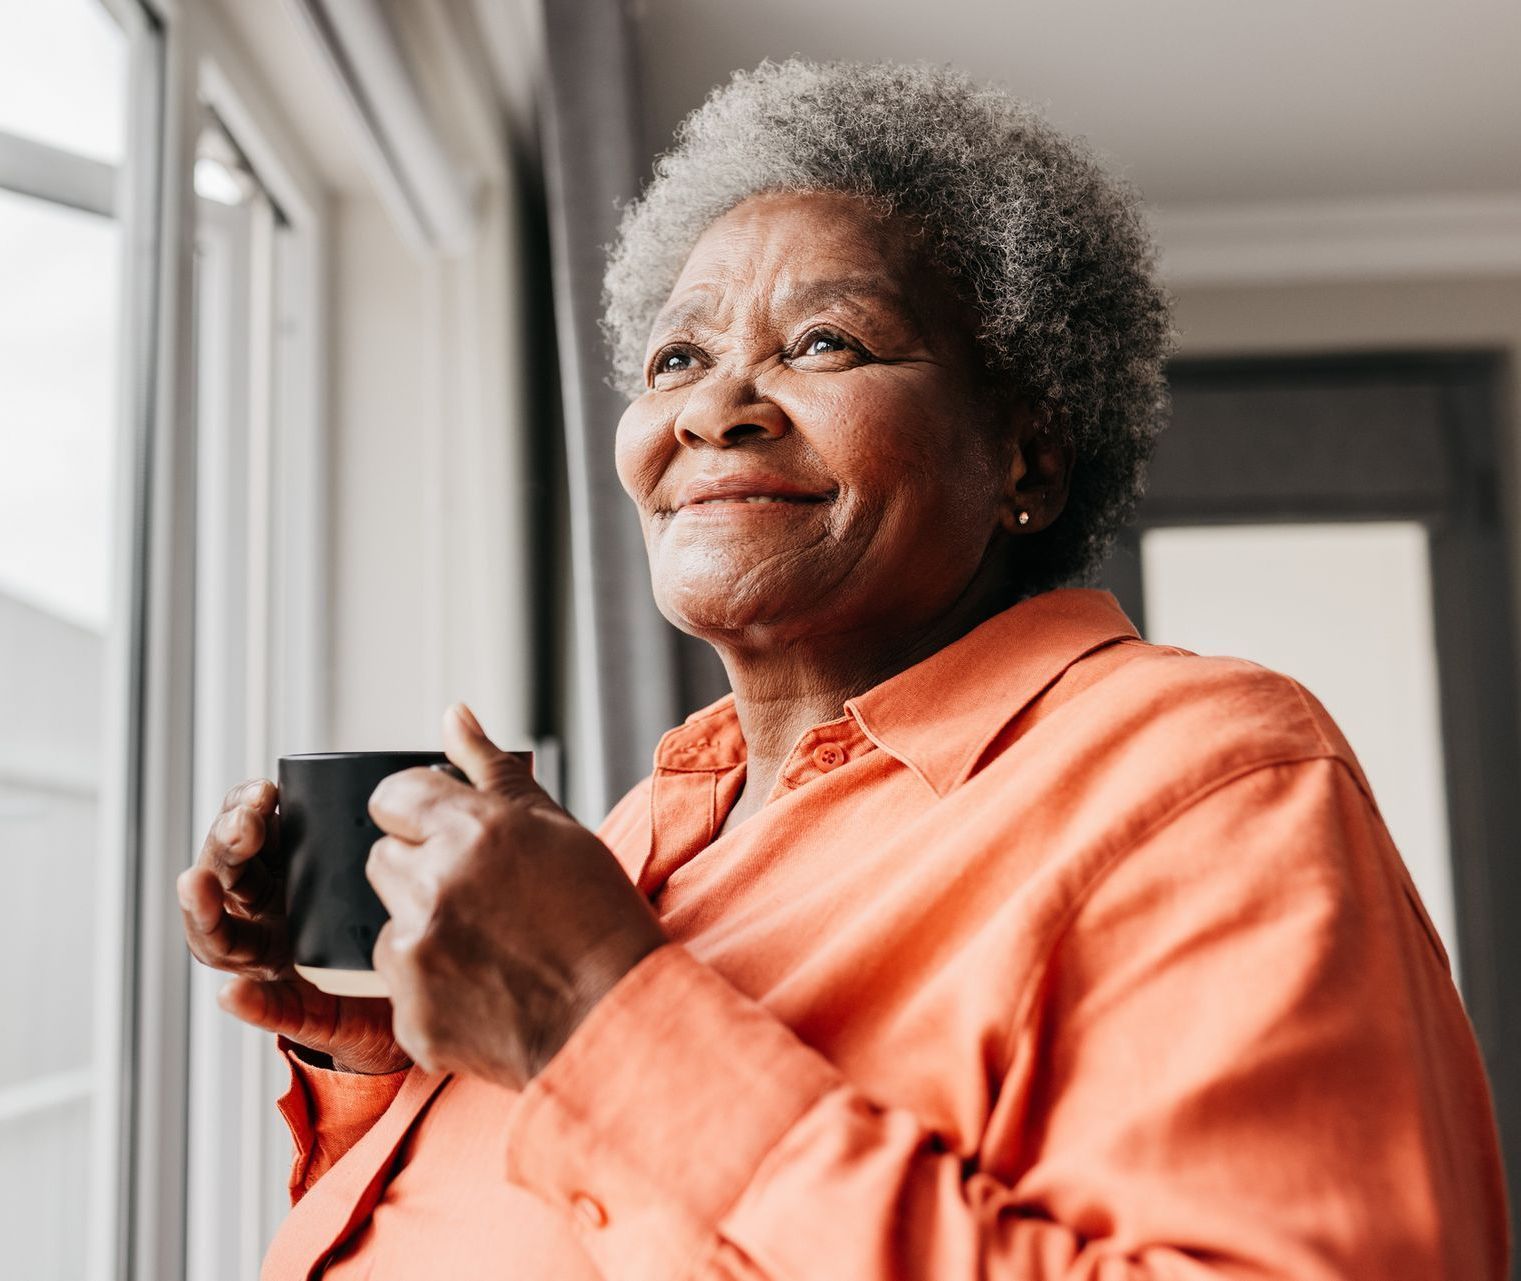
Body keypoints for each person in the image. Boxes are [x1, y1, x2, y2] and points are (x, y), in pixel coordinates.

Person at [179, 58, 1508, 1280]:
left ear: (1024, 462)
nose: (713, 407)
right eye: (678, 357)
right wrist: (393, 1048)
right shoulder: (648, 827)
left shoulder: (1203, 772)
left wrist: (596, 1011)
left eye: (824, 344)